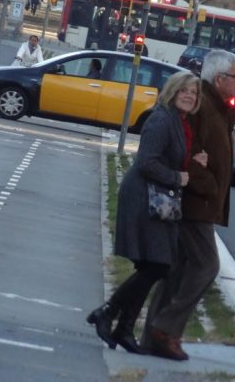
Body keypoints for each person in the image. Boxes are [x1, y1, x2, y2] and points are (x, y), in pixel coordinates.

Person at [86, 71, 205, 354]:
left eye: (194, 92)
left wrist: (193, 162)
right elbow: (146, 163)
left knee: (153, 266)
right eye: (184, 90)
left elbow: (171, 156)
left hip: (157, 199)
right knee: (157, 265)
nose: (189, 96)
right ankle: (108, 313)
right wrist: (179, 178)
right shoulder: (161, 119)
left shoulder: (179, 121)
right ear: (172, 91)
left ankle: (124, 329)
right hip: (143, 197)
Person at [141, 49, 235, 361]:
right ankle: (165, 329)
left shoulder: (218, 107)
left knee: (178, 269)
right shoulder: (204, 107)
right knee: (206, 266)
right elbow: (190, 155)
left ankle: (152, 337)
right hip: (195, 203)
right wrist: (209, 186)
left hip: (199, 202)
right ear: (220, 78)